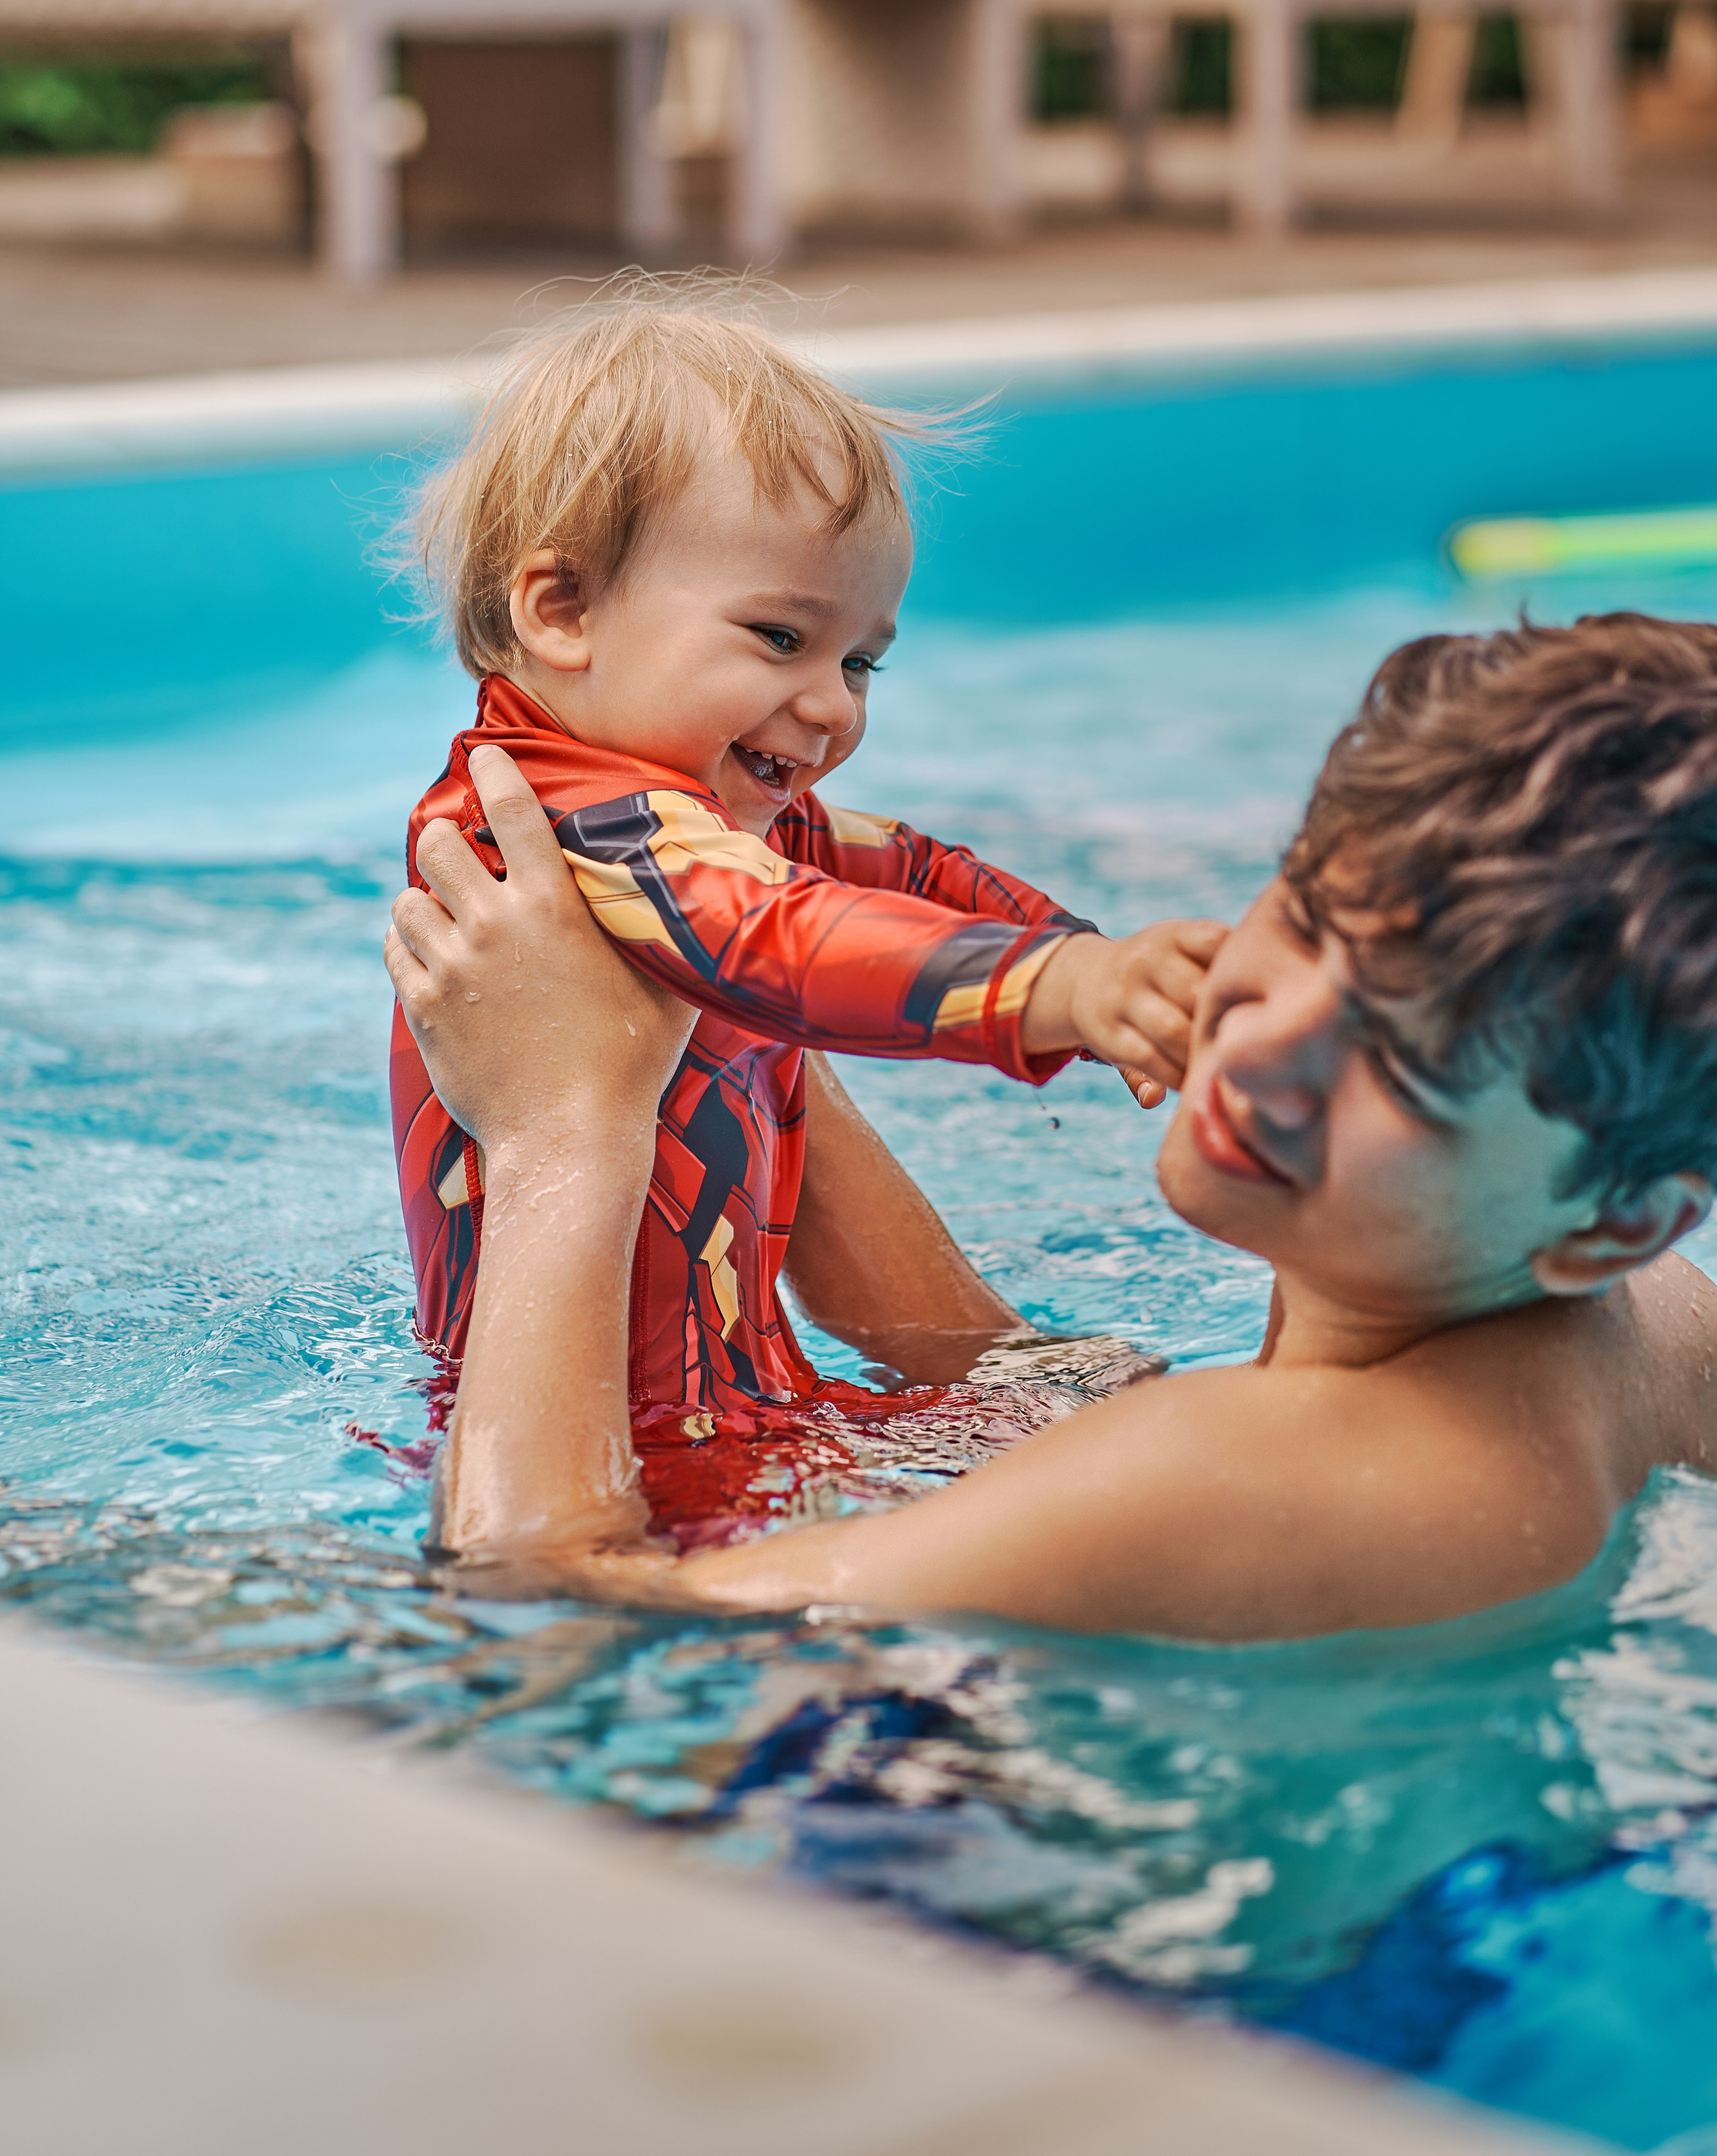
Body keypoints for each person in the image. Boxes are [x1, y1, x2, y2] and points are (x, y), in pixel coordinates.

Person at [387, 612, 1717, 1643]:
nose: (1267, 1049)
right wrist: (709, 982)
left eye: (1406, 1069)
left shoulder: (1211, 1477)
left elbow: (545, 1617)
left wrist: (565, 1133)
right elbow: (1010, 1384)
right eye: (1308, 921)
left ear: (1611, 1216)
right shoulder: (1647, 1317)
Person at [392, 302, 1219, 1487]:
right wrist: (1063, 990)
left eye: (859, 660)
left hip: (734, 1416)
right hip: (601, 1461)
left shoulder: (706, 820)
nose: (834, 705)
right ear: (561, 611)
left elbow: (908, 867)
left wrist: (1102, 959)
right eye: (781, 637)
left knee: (1123, 1418)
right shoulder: (572, 832)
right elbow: (784, 936)